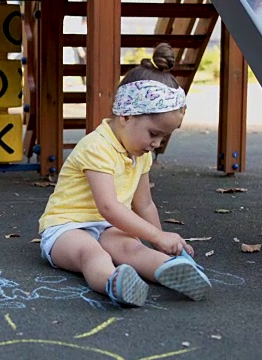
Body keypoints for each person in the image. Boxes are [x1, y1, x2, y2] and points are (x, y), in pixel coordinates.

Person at [38, 43, 211, 307]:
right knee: (91, 253)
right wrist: (156, 236)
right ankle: (114, 283)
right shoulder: (96, 146)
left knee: (133, 248)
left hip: (108, 227)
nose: (157, 143)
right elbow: (108, 207)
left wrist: (162, 242)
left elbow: (144, 204)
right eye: (154, 133)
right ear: (126, 116)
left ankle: (170, 269)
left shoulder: (140, 154)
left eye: (164, 137)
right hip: (67, 228)